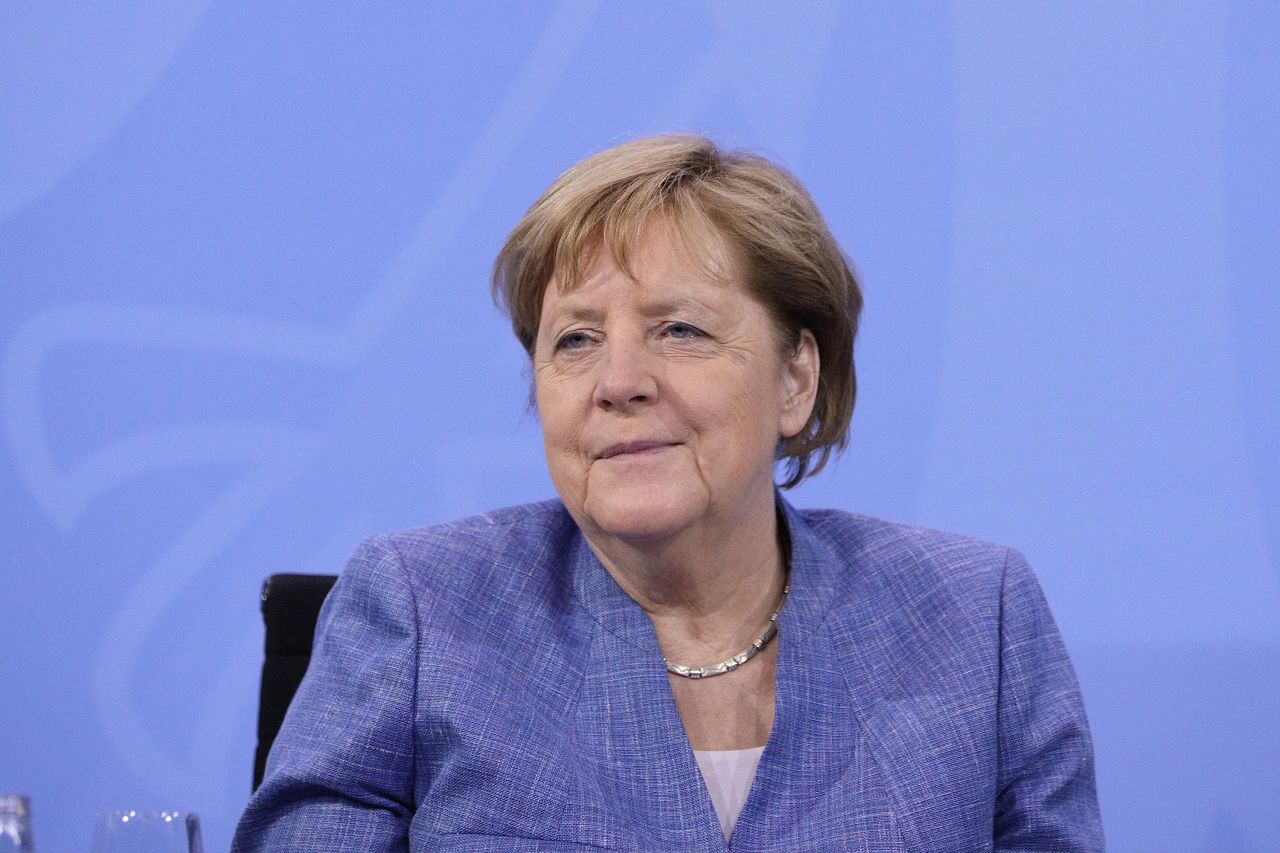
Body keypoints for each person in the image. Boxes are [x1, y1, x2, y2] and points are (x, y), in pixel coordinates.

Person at [232, 135, 1102, 851]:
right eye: (574, 340)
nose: (618, 381)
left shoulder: (973, 619)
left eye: (678, 329)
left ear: (797, 378)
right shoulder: (424, 610)